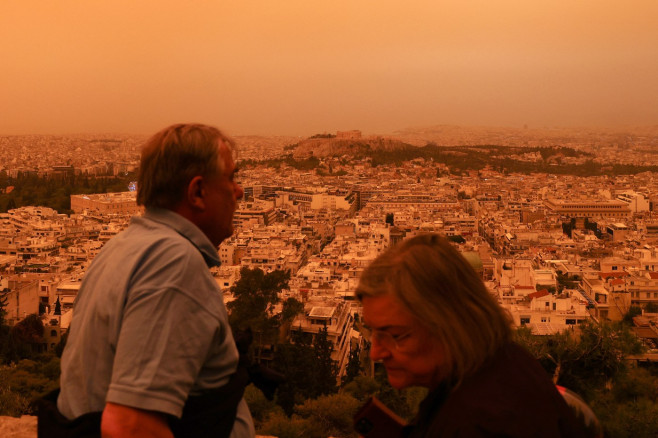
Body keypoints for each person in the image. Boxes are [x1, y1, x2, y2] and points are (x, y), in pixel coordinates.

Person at [55, 123, 253, 437]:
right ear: (197, 192)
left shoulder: (122, 246)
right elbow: (130, 425)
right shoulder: (173, 263)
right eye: (230, 178)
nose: (239, 191)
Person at [355, 233, 587, 437]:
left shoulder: (479, 424)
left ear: (449, 325)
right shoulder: (507, 360)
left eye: (394, 335)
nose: (375, 353)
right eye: (374, 333)